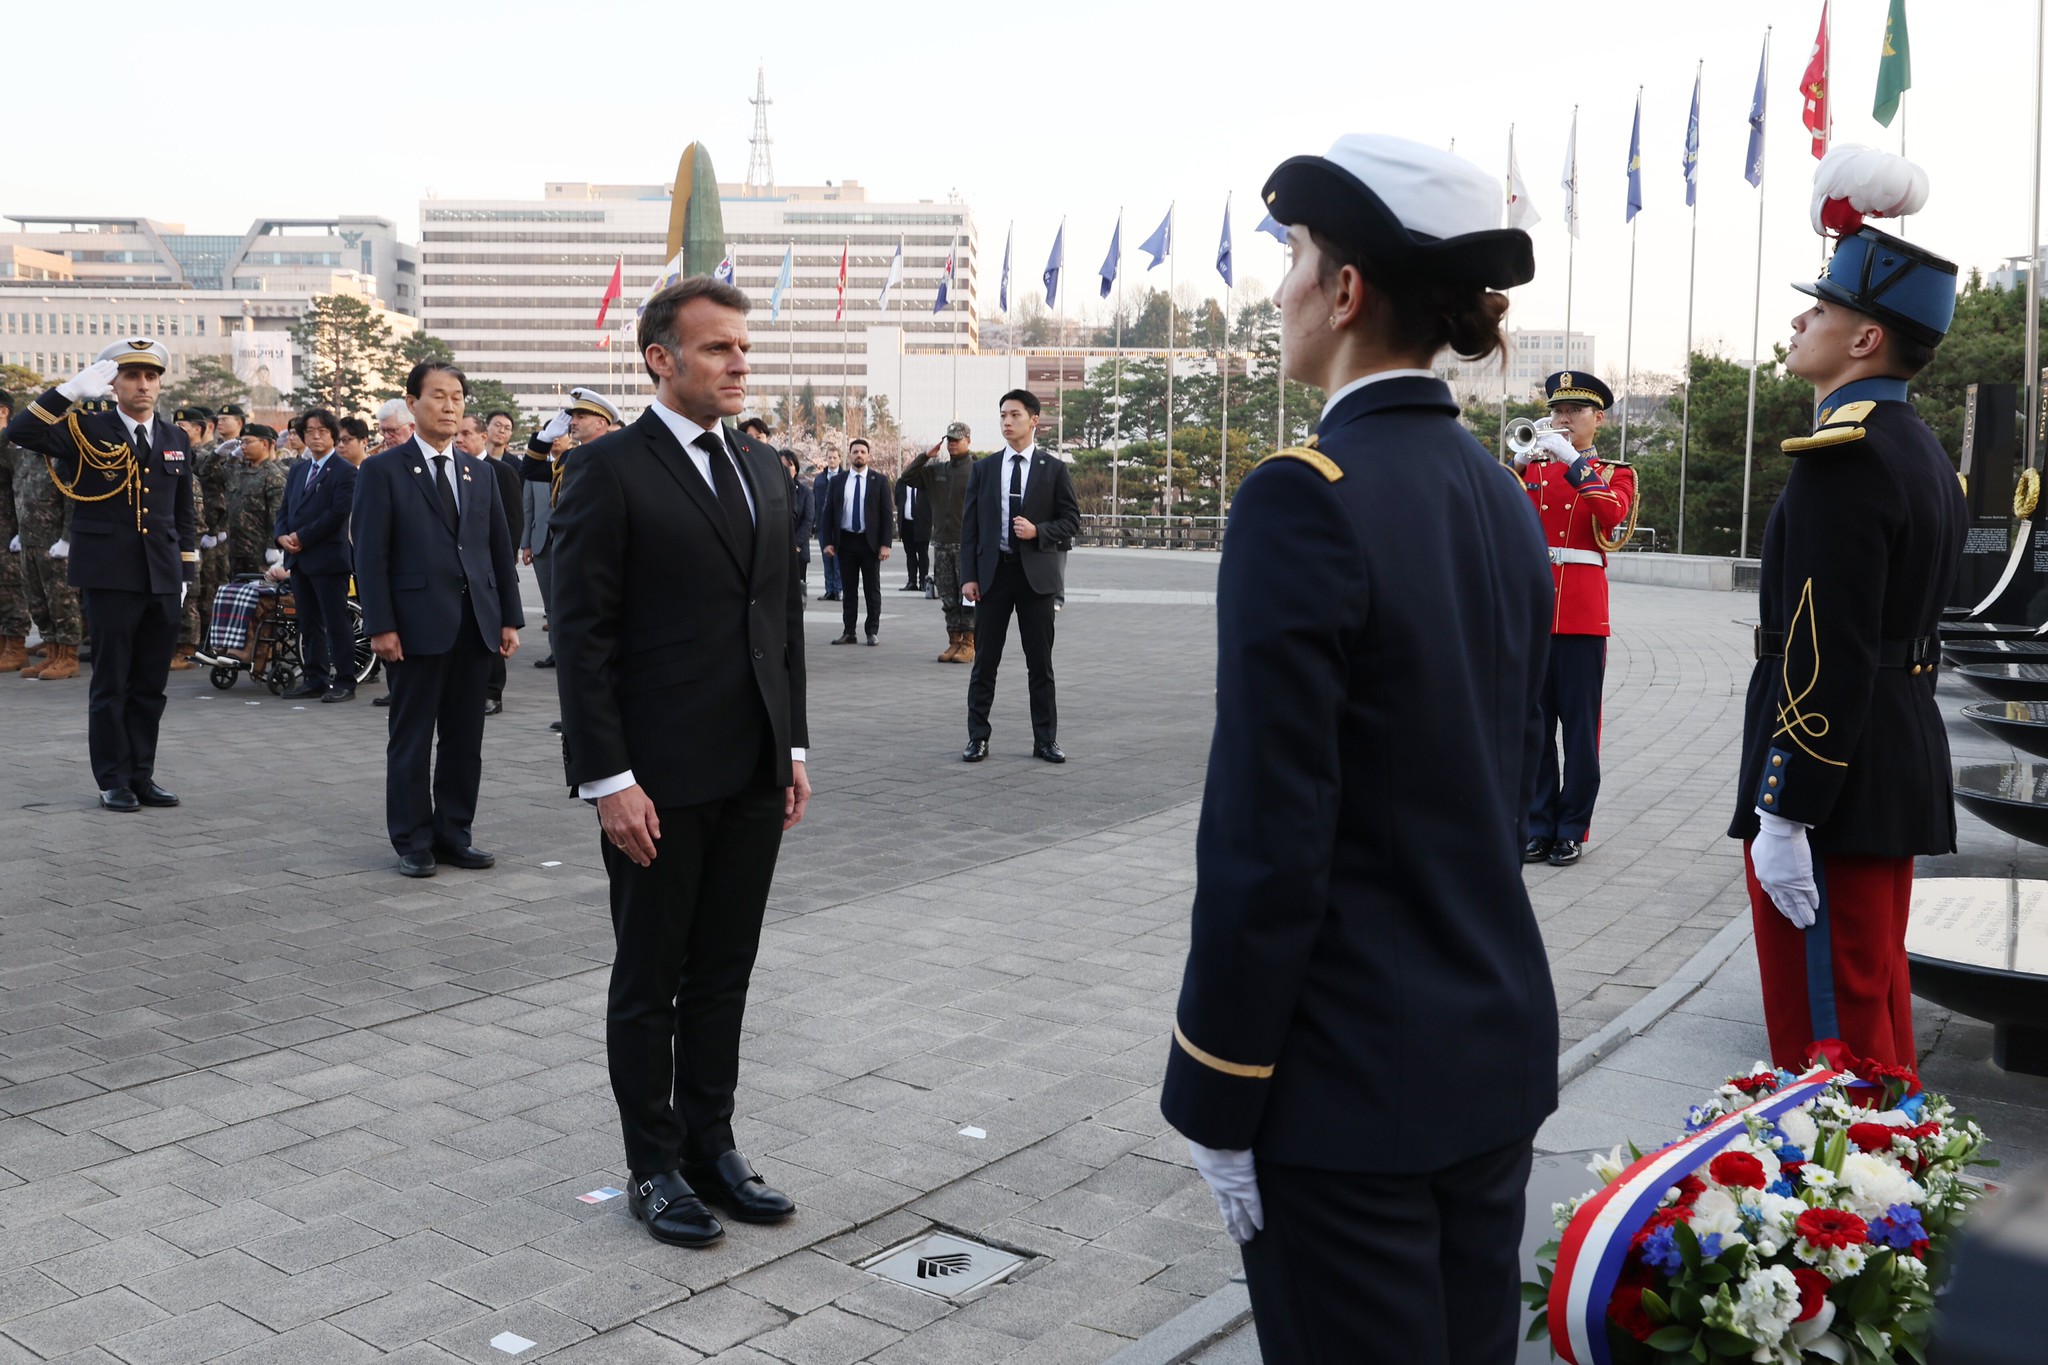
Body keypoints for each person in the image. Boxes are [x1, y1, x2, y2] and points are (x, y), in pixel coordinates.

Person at [1159, 135, 1556, 1365]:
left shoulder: (1304, 492)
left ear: (1343, 293)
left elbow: (1267, 833)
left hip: (1345, 1082)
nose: (1274, 288)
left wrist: (1217, 1085)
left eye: (1292, 257)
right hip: (1486, 1045)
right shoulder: (1495, 490)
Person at [550, 276, 809, 1250]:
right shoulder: (609, 470)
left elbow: (776, 619)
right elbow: (582, 638)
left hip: (749, 767)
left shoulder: (764, 467)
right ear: (660, 358)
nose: (738, 362)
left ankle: (711, 1144)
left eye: (742, 346)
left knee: (724, 973)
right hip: (652, 779)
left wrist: (790, 744)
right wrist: (608, 778)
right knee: (649, 978)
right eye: (715, 348)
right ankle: (650, 1164)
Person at [1732, 151, 1964, 1079]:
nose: (1801, 319)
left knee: (1828, 1048)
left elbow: (1827, 648)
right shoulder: (1914, 446)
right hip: (1885, 763)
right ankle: (1898, 1197)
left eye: (1821, 308)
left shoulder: (1847, 455)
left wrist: (1787, 812)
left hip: (1835, 782)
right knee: (1872, 1009)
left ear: (1866, 339)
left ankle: (1855, 1217)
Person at [3, 339, 200, 810]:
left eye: (151, 377)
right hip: (110, 574)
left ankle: (142, 774)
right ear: (112, 383)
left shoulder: (174, 438)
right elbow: (22, 433)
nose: (143, 385)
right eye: (132, 376)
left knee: (150, 682)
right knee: (112, 680)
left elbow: (183, 510)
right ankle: (113, 779)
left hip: (163, 574)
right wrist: (68, 391)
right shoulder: (85, 428)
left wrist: (187, 567)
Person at [352, 361, 523, 877]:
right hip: (412, 625)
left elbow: (498, 551)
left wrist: (508, 619)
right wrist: (380, 625)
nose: (450, 407)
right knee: (412, 737)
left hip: (474, 624)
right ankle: (412, 839)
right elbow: (370, 554)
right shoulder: (383, 470)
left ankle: (455, 833)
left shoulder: (479, 471)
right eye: (438, 397)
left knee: (464, 738)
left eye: (457, 398)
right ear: (412, 402)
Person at [1516, 371, 1635, 868]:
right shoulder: (1533, 471)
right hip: (1533, 612)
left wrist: (1576, 464)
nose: (1563, 419)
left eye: (1575, 411)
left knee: (1581, 731)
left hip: (1584, 616)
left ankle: (1572, 827)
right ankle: (1538, 824)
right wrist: (1516, 467)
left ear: (1597, 419)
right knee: (1535, 729)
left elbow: (1612, 518)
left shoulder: (1614, 473)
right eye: (1557, 410)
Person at [959, 391, 1078, 763]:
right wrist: (968, 576)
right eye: (1002, 416)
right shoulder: (985, 468)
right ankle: (978, 737)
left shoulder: (1054, 469)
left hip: (1036, 581)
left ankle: (1045, 740)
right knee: (985, 663)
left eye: (1014, 415)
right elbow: (970, 528)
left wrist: (1038, 532)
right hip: (993, 577)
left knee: (1040, 664)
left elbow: (1071, 521)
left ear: (1033, 420)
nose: (1006, 422)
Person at [522, 387, 621, 678]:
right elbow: (530, 470)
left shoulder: (617, 454)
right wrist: (542, 439)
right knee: (573, 629)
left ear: (601, 423)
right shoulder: (570, 457)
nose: (572, 422)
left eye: (580, 416)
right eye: (572, 416)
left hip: (599, 556)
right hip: (571, 554)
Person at [274, 408, 359, 702]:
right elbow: (285, 508)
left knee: (336, 622)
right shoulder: (298, 469)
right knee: (307, 623)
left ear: (333, 436)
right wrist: (281, 535)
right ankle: (315, 677)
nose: (315, 436)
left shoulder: (346, 471)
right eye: (309, 431)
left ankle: (346, 679)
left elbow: (337, 514)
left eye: (322, 431)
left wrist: (302, 536)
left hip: (328, 559)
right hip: (298, 559)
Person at [5, 394, 83, 681]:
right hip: (29, 539)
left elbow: (72, 499)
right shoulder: (23, 454)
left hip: (55, 543)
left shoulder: (62, 455)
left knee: (62, 601)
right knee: (37, 601)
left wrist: (67, 539)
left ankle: (68, 657)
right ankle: (51, 652)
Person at [899, 422, 977, 663]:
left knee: (968, 597)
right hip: (942, 542)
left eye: (957, 439)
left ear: (968, 440)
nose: (952, 444)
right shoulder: (936, 470)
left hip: (966, 543)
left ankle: (969, 642)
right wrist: (925, 456)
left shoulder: (978, 470)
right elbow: (907, 477)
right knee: (948, 596)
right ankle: (954, 640)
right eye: (949, 440)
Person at [463, 413, 525, 716]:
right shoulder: (453, 471)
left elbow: (512, 521)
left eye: (465, 434)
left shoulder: (499, 471)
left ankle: (492, 692)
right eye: (456, 435)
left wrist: (504, 558)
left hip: (492, 566)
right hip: (463, 568)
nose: (459, 439)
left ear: (481, 437)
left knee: (494, 627)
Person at [821, 437, 893, 646]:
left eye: (863, 451)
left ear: (868, 456)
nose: (859, 455)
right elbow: (828, 513)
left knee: (872, 589)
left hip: (869, 543)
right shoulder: (838, 481)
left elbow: (887, 515)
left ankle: (872, 631)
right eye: (855, 452)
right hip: (846, 542)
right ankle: (849, 631)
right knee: (849, 590)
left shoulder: (879, 481)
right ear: (849, 455)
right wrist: (827, 541)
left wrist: (886, 543)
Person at [168, 405, 218, 670]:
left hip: (188, 546)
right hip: (170, 544)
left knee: (189, 597)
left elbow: (195, 519)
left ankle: (187, 649)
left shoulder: (190, 477)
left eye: (182, 428)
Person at [222, 424, 289, 577]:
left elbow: (276, 513)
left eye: (248, 442)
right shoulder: (239, 470)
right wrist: (230, 456)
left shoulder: (272, 475)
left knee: (261, 597)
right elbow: (209, 473)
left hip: (259, 552)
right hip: (235, 549)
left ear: (265, 444)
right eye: (241, 442)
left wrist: (273, 546)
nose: (243, 446)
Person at [780, 448, 814, 598]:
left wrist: (796, 545)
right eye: (782, 465)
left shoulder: (805, 492)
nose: (786, 469)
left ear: (796, 468)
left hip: (797, 551)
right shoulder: (770, 489)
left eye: (790, 465)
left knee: (797, 595)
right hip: (776, 550)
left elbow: (808, 520)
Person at [896, 457, 931, 592]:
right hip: (906, 524)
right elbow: (897, 501)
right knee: (910, 554)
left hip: (922, 524)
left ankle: (923, 581)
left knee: (923, 553)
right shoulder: (901, 483)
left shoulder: (925, 484)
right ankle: (912, 581)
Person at [811, 446, 841, 600]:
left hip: (840, 525)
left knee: (838, 559)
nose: (832, 460)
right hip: (823, 525)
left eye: (835, 457)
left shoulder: (844, 477)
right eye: (829, 457)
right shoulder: (820, 479)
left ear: (840, 459)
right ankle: (829, 589)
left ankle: (838, 589)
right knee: (826, 559)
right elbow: (815, 501)